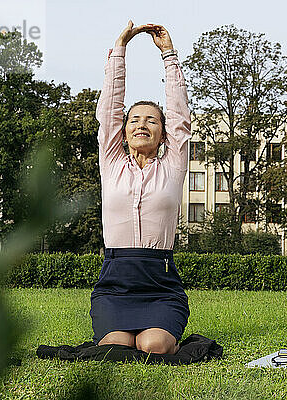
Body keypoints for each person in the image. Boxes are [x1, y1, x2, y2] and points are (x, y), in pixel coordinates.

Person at [90, 21, 191, 355]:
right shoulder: (112, 163)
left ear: (163, 133)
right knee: (117, 347)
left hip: (159, 282)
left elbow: (179, 117)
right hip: (115, 280)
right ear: (124, 131)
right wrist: (120, 50)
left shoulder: (173, 167)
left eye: (151, 120)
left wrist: (169, 56)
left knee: (154, 345)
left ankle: (161, 329)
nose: (142, 124)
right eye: (134, 120)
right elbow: (108, 111)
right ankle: (120, 327)